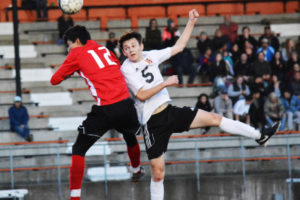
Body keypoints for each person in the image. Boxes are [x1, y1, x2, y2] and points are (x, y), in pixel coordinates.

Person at [119, 9, 280, 200]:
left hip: (170, 111)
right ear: (123, 52)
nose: (130, 50)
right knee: (158, 173)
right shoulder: (126, 68)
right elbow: (142, 94)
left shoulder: (150, 55)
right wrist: (165, 83)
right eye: (126, 48)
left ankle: (259, 135)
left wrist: (191, 22)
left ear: (141, 45)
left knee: (214, 118)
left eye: (133, 45)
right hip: (152, 122)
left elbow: (179, 46)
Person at [50, 25, 143, 200]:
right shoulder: (103, 48)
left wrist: (69, 72)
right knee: (130, 137)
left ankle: (75, 197)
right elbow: (116, 68)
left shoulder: (76, 54)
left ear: (77, 41)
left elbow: (54, 80)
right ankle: (136, 169)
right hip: (126, 103)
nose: (68, 49)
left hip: (106, 108)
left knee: (79, 149)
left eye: (69, 45)